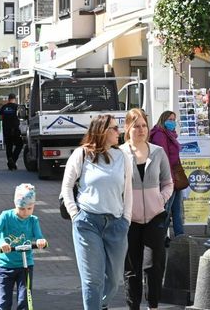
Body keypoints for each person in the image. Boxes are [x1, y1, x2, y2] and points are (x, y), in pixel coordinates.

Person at [60, 114, 133, 310]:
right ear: (102, 131)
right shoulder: (82, 154)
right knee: (93, 280)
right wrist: (75, 215)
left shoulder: (122, 157)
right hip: (87, 223)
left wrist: (126, 219)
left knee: (115, 280)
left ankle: (99, 305)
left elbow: (128, 191)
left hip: (116, 224)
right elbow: (66, 187)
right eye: (114, 128)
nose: (119, 132)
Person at [119, 109, 172, 310]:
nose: (141, 130)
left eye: (144, 126)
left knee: (153, 265)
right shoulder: (119, 154)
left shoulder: (158, 152)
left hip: (155, 216)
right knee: (131, 268)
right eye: (136, 126)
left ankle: (153, 305)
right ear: (127, 128)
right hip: (129, 218)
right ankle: (133, 306)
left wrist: (160, 199)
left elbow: (168, 182)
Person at [0, 183, 48, 310]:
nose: (25, 212)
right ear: (16, 204)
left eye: (29, 208)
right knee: (4, 301)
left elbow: (39, 236)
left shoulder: (33, 220)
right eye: (22, 208)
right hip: (6, 265)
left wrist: (40, 241)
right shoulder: (6, 216)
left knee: (24, 299)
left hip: (25, 266)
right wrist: (1, 243)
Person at [149, 110, 185, 237]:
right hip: (167, 178)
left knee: (177, 209)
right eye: (170, 119)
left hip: (174, 176)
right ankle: (161, 237)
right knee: (166, 209)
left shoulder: (170, 134)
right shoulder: (160, 135)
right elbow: (163, 159)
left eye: (174, 120)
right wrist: (169, 179)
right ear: (163, 120)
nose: (173, 122)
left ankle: (180, 236)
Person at [0, 94, 23, 171]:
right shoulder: (17, 107)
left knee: (9, 146)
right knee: (20, 144)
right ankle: (13, 159)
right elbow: (21, 116)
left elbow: (0, 118)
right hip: (15, 129)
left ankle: (10, 160)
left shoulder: (3, 107)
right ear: (14, 99)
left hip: (6, 129)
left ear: (8, 99)